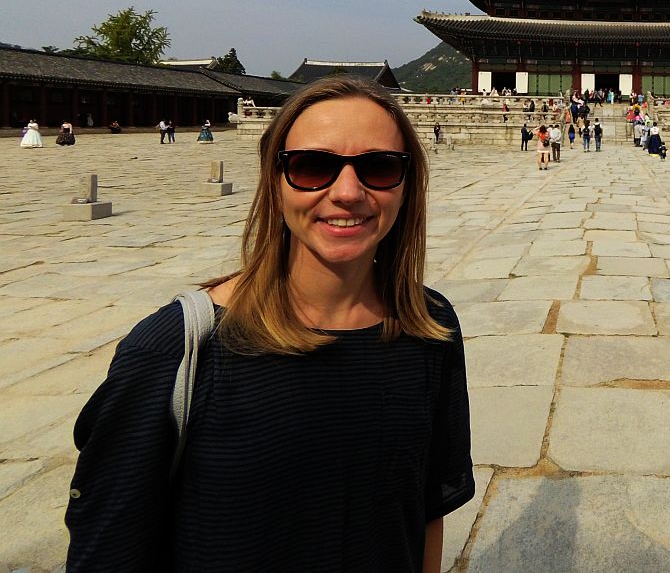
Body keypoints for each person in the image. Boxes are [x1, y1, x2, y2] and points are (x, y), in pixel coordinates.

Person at [66, 75, 473, 572]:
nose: (348, 192)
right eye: (312, 166)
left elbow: (427, 509)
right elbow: (107, 549)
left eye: (380, 167)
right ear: (274, 182)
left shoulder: (429, 327)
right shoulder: (176, 348)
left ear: (408, 186)